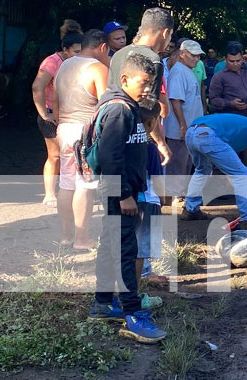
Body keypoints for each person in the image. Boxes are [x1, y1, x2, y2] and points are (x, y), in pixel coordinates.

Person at [88, 52, 167, 343]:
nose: (147, 89)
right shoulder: (119, 110)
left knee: (111, 245)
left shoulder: (130, 108)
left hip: (123, 191)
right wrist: (123, 195)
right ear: (124, 79)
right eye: (143, 83)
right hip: (118, 193)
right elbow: (110, 156)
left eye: (150, 84)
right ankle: (133, 315)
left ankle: (102, 303)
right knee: (125, 250)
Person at [54, 29, 109, 249]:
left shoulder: (64, 65)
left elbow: (56, 101)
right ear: (102, 47)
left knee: (66, 184)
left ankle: (66, 236)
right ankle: (82, 239)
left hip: (64, 128)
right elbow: (107, 107)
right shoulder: (97, 68)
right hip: (84, 131)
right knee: (85, 185)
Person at [108, 7, 173, 165]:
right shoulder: (154, 60)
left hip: (112, 130)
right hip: (138, 137)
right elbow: (148, 108)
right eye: (170, 35)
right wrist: (161, 143)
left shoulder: (118, 55)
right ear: (165, 33)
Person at [32, 23, 83, 207]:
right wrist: (44, 113)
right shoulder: (52, 62)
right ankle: (49, 194)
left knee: (74, 153)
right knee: (54, 155)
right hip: (52, 113)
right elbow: (37, 87)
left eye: (81, 51)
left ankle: (70, 191)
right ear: (65, 49)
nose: (79, 55)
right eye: (76, 51)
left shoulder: (77, 62)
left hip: (71, 114)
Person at [164, 40, 205, 204]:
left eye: (198, 56)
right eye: (193, 55)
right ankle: (175, 195)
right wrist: (182, 125)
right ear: (182, 54)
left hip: (189, 127)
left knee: (186, 162)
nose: (196, 59)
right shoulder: (179, 72)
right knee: (178, 162)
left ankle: (180, 194)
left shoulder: (187, 70)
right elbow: (175, 100)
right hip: (180, 128)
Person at [135, 104, 164, 309]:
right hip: (148, 200)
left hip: (126, 199)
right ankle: (137, 291)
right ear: (152, 123)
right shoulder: (149, 147)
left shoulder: (125, 144)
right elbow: (157, 179)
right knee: (142, 248)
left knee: (127, 245)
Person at [207, 42, 247, 124]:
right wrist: (230, 103)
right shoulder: (219, 77)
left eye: (238, 60)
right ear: (225, 59)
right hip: (236, 122)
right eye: (231, 61)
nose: (235, 64)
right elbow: (213, 99)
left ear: (243, 59)